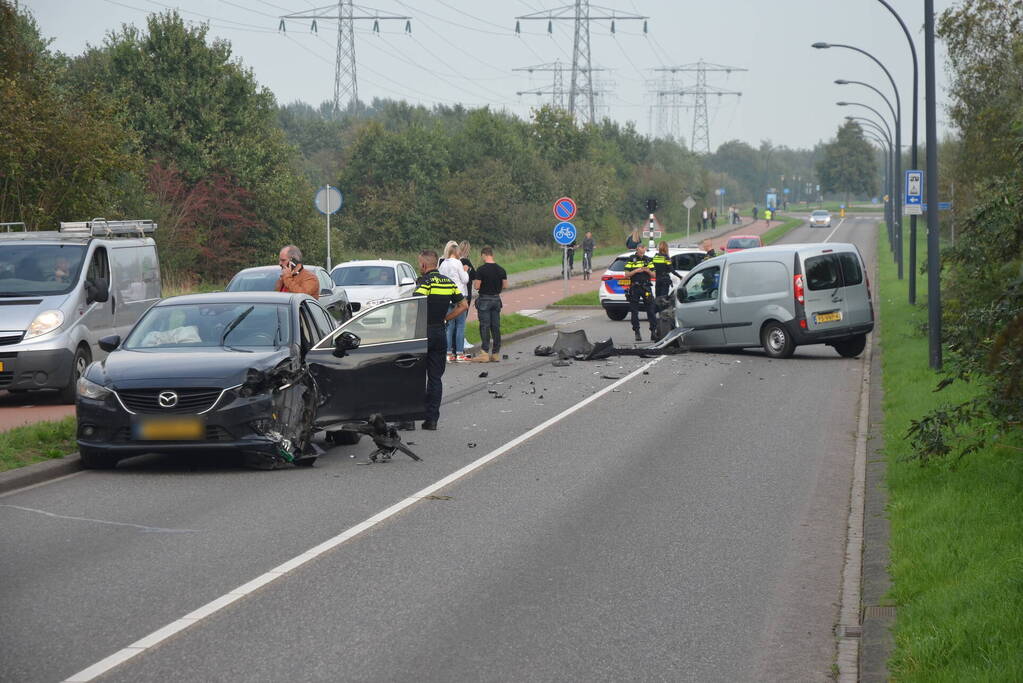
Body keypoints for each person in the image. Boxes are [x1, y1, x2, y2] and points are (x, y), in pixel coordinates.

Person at [414, 250, 467, 430]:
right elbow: (463, 305)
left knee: (415, 376)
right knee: (435, 378)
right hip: (439, 332)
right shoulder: (448, 282)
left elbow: (415, 304)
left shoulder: (425, 282)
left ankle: (409, 418)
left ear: (423, 265)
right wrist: (446, 318)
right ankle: (432, 420)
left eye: (419, 263)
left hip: (423, 332)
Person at [471, 246, 507, 363]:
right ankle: (496, 353)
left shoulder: (481, 270)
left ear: (483, 255)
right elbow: (505, 285)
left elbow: (476, 286)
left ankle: (484, 353)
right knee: (495, 327)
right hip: (496, 300)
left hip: (484, 300)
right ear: (492, 255)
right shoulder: (501, 270)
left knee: (484, 326)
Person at [439, 240, 470, 362]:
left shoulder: (443, 264)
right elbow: (465, 279)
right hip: (459, 296)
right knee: (460, 325)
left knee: (449, 325)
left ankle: (448, 353)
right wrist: (465, 270)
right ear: (455, 252)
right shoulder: (457, 263)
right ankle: (459, 353)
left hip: (447, 296)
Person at [624, 243, 657, 342]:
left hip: (646, 287)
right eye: (641, 248)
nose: (643, 249)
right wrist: (636, 271)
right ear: (637, 249)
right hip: (635, 287)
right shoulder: (631, 259)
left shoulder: (648, 259)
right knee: (634, 311)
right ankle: (637, 332)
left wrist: (648, 271)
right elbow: (626, 275)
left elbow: (654, 275)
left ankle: (653, 332)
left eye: (644, 248)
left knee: (651, 310)